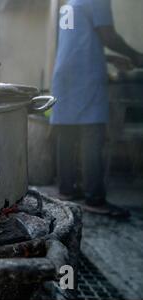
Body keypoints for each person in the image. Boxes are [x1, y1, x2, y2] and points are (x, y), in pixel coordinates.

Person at [51, 0, 143, 218]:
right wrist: (136, 56)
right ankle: (94, 198)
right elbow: (108, 36)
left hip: (64, 75)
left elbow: (77, 43)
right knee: (92, 134)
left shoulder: (70, 5)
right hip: (85, 77)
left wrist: (109, 58)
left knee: (66, 134)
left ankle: (66, 191)